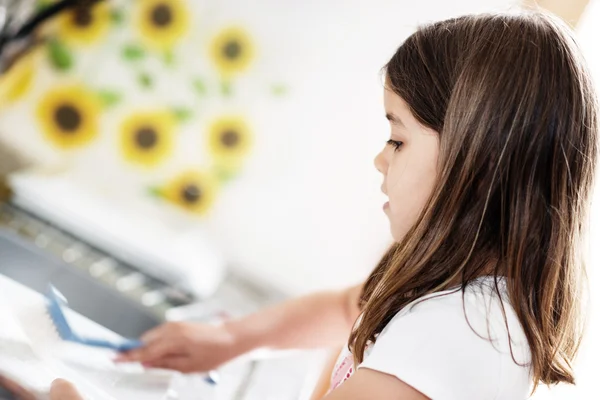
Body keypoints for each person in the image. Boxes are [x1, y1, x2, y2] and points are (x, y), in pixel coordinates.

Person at [5, 10, 596, 400]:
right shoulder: (463, 293)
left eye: (397, 137)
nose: (380, 159)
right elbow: (349, 308)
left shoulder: (457, 336)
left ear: (476, 160)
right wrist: (232, 339)